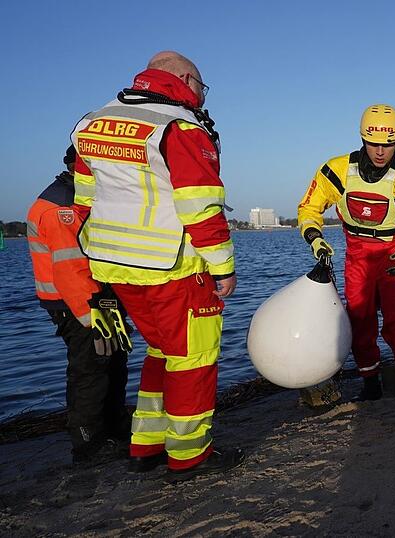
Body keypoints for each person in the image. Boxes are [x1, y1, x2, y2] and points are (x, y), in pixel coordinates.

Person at [71, 51, 243, 479]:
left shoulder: (92, 123)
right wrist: (223, 267)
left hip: (114, 265)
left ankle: (145, 445)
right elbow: (200, 206)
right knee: (192, 359)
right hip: (172, 267)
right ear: (185, 79)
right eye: (202, 87)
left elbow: (84, 199)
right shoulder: (178, 127)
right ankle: (189, 454)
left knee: (162, 352)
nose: (203, 96)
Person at [297, 104, 395, 429]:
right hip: (357, 254)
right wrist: (314, 237)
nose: (379, 152)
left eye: (388, 145)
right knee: (359, 318)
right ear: (362, 139)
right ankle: (371, 383)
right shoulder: (336, 171)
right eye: (373, 143)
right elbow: (308, 208)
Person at [27, 145, 131, 464]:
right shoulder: (61, 207)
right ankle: (88, 442)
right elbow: (70, 268)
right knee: (91, 369)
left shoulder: (80, 198)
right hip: (79, 303)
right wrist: (91, 317)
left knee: (114, 363)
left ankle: (115, 427)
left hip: (98, 298)